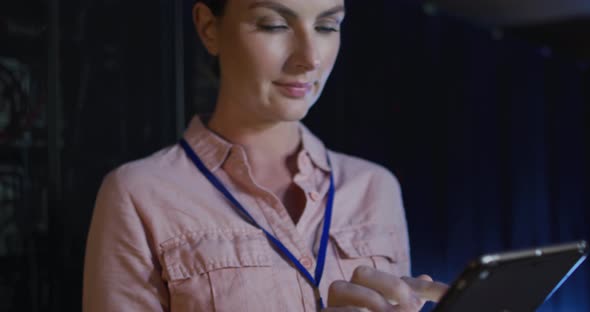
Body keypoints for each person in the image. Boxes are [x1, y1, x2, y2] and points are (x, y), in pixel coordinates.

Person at [83, 0, 448, 311]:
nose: (309, 58)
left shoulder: (375, 188)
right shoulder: (140, 195)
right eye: (274, 25)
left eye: (326, 26)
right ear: (209, 28)